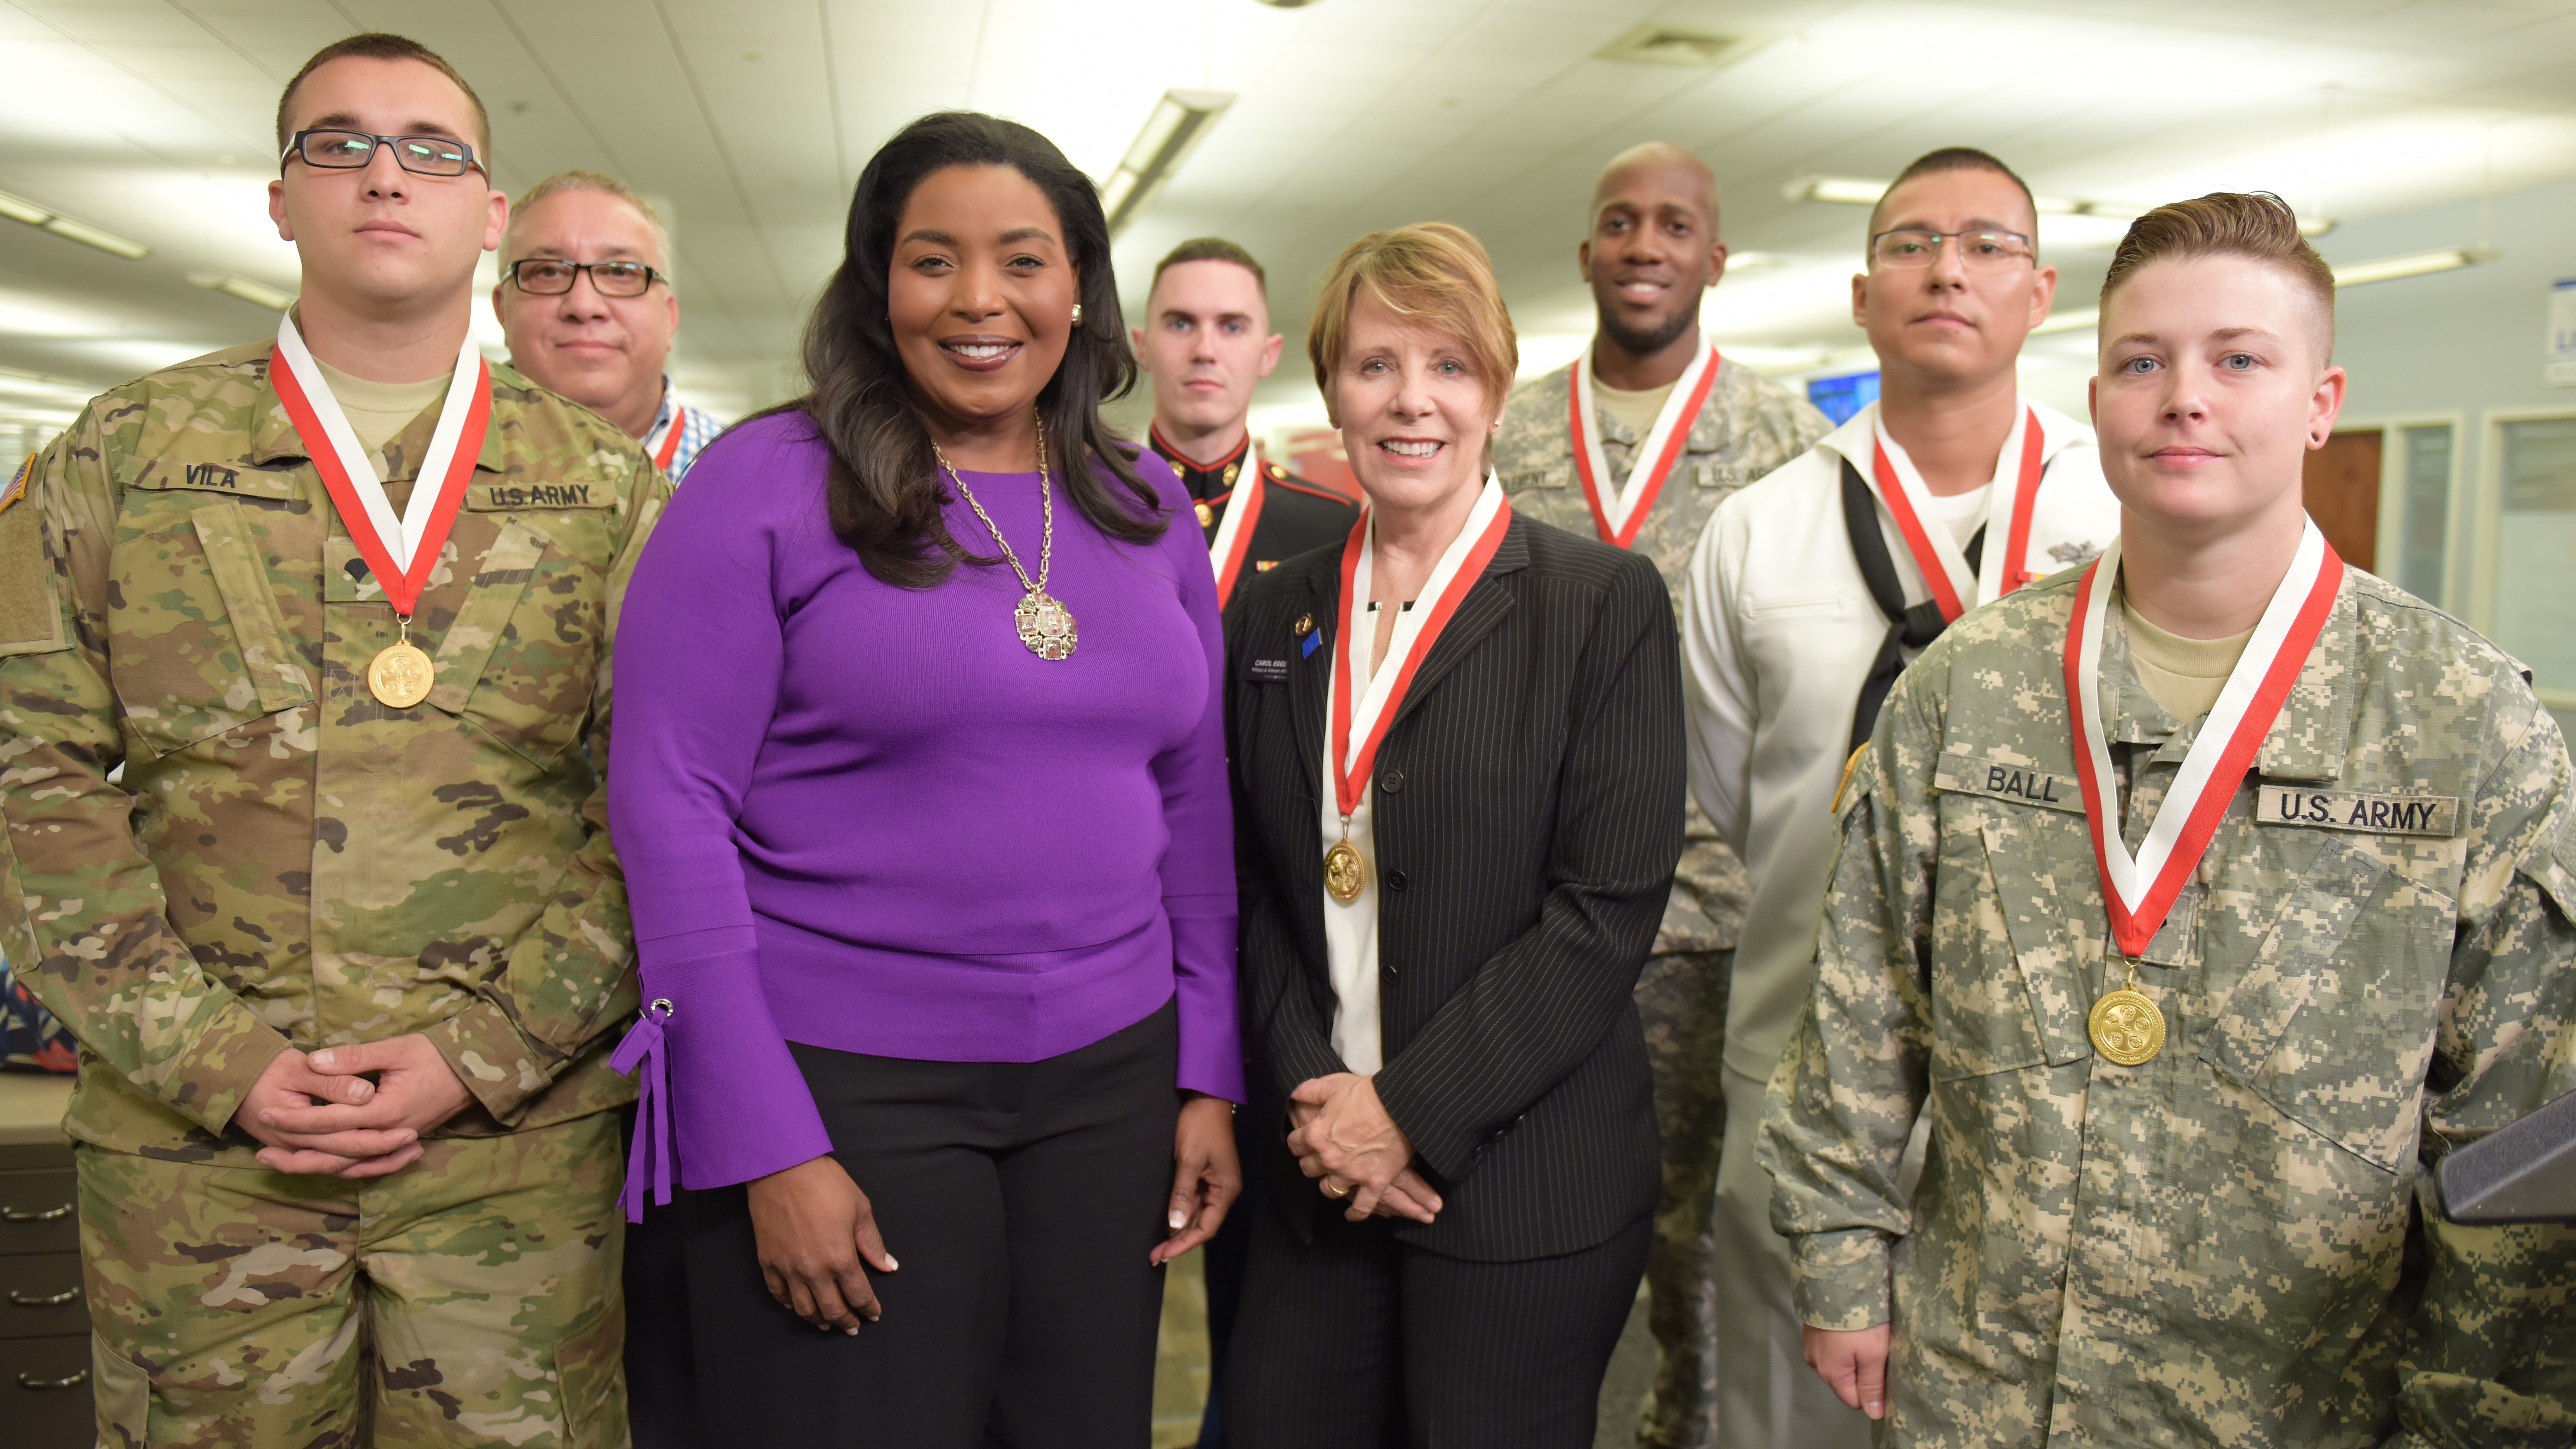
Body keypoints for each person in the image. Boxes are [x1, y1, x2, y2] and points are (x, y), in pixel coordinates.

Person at [1766, 190, 2576, 1446]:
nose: (2184, 397)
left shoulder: (2463, 723)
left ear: (2323, 399)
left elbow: (2514, 1124)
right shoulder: (1969, 690)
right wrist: (1837, 1261)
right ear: (2096, 403)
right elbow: (1863, 1012)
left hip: (2306, 1400)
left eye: (2240, 359)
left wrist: (2483, 1415)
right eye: (2142, 362)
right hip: (1981, 1380)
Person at [0, 33, 663, 1446]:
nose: (382, 172)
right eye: (337, 142)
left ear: (489, 218)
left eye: (432, 147)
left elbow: (662, 806)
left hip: (507, 1158)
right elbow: (25, 767)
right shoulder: (124, 451)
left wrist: (482, 1050)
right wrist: (214, 1054)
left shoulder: (606, 489)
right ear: (279, 197)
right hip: (199, 1160)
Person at [604, 110, 1242, 1448]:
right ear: (873, 283)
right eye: (929, 259)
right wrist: (764, 1140)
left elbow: (1191, 804)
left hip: (1107, 1082)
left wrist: (1206, 1068)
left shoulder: (1137, 502)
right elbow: (668, 806)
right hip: (844, 1081)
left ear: (1078, 286)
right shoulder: (763, 484)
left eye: (1021, 259)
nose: (977, 300)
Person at [1676, 145, 2121, 1448]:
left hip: (2060, 1068)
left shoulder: (2119, 510)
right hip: (1804, 1046)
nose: (1948, 269)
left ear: (2040, 293)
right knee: (1785, 1407)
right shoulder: (1757, 531)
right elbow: (1736, 781)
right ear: (1866, 296)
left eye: (1986, 245)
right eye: (1915, 244)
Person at [1224, 221, 1684, 1449]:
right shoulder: (1273, 608)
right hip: (1317, 1166)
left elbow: (1607, 909)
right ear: (1331, 391)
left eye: (1448, 366)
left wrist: (1407, 1110)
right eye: (1375, 366)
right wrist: (1322, 1108)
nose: (1410, 400)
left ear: (1497, 387)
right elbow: (1255, 885)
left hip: (1519, 1186)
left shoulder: (1601, 603)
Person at [1490, 141, 1829, 1449]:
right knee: (1520, 1224)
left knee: (1698, 1235)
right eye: (1620, 222)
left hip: (1710, 918)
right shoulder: (1507, 426)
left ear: (1713, 258)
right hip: (1520, 915)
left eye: (1673, 224)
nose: (1644, 244)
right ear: (1586, 252)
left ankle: (1679, 1431)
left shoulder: (1790, 440)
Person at [1137, 237, 1360, 611]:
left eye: (1232, 327)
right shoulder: (1079, 510)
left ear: (1268, 354)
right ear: (1142, 347)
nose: (1204, 351)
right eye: (1180, 323)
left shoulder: (1330, 527)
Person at [494, 170, 719, 481]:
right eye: (548, 272)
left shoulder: (756, 476)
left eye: (620, 272)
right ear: (502, 310)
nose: (584, 306)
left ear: (668, 318)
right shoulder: (425, 465)